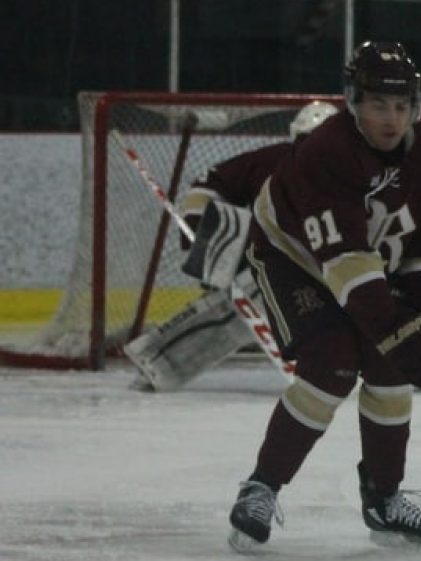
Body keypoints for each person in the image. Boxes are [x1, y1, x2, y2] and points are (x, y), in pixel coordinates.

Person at [226, 41, 421, 551]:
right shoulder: (328, 152)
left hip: (364, 264)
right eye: (377, 105)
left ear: (415, 106)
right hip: (291, 259)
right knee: (332, 363)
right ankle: (262, 486)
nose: (391, 119)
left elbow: (419, 251)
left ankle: (385, 500)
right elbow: (349, 270)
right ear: (352, 103)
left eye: (401, 106)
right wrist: (405, 335)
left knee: (390, 367)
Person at [123, 101, 339, 391]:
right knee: (245, 299)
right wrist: (203, 235)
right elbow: (209, 184)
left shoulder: (357, 177)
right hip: (266, 266)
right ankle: (159, 361)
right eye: (307, 140)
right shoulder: (271, 161)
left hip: (328, 272)